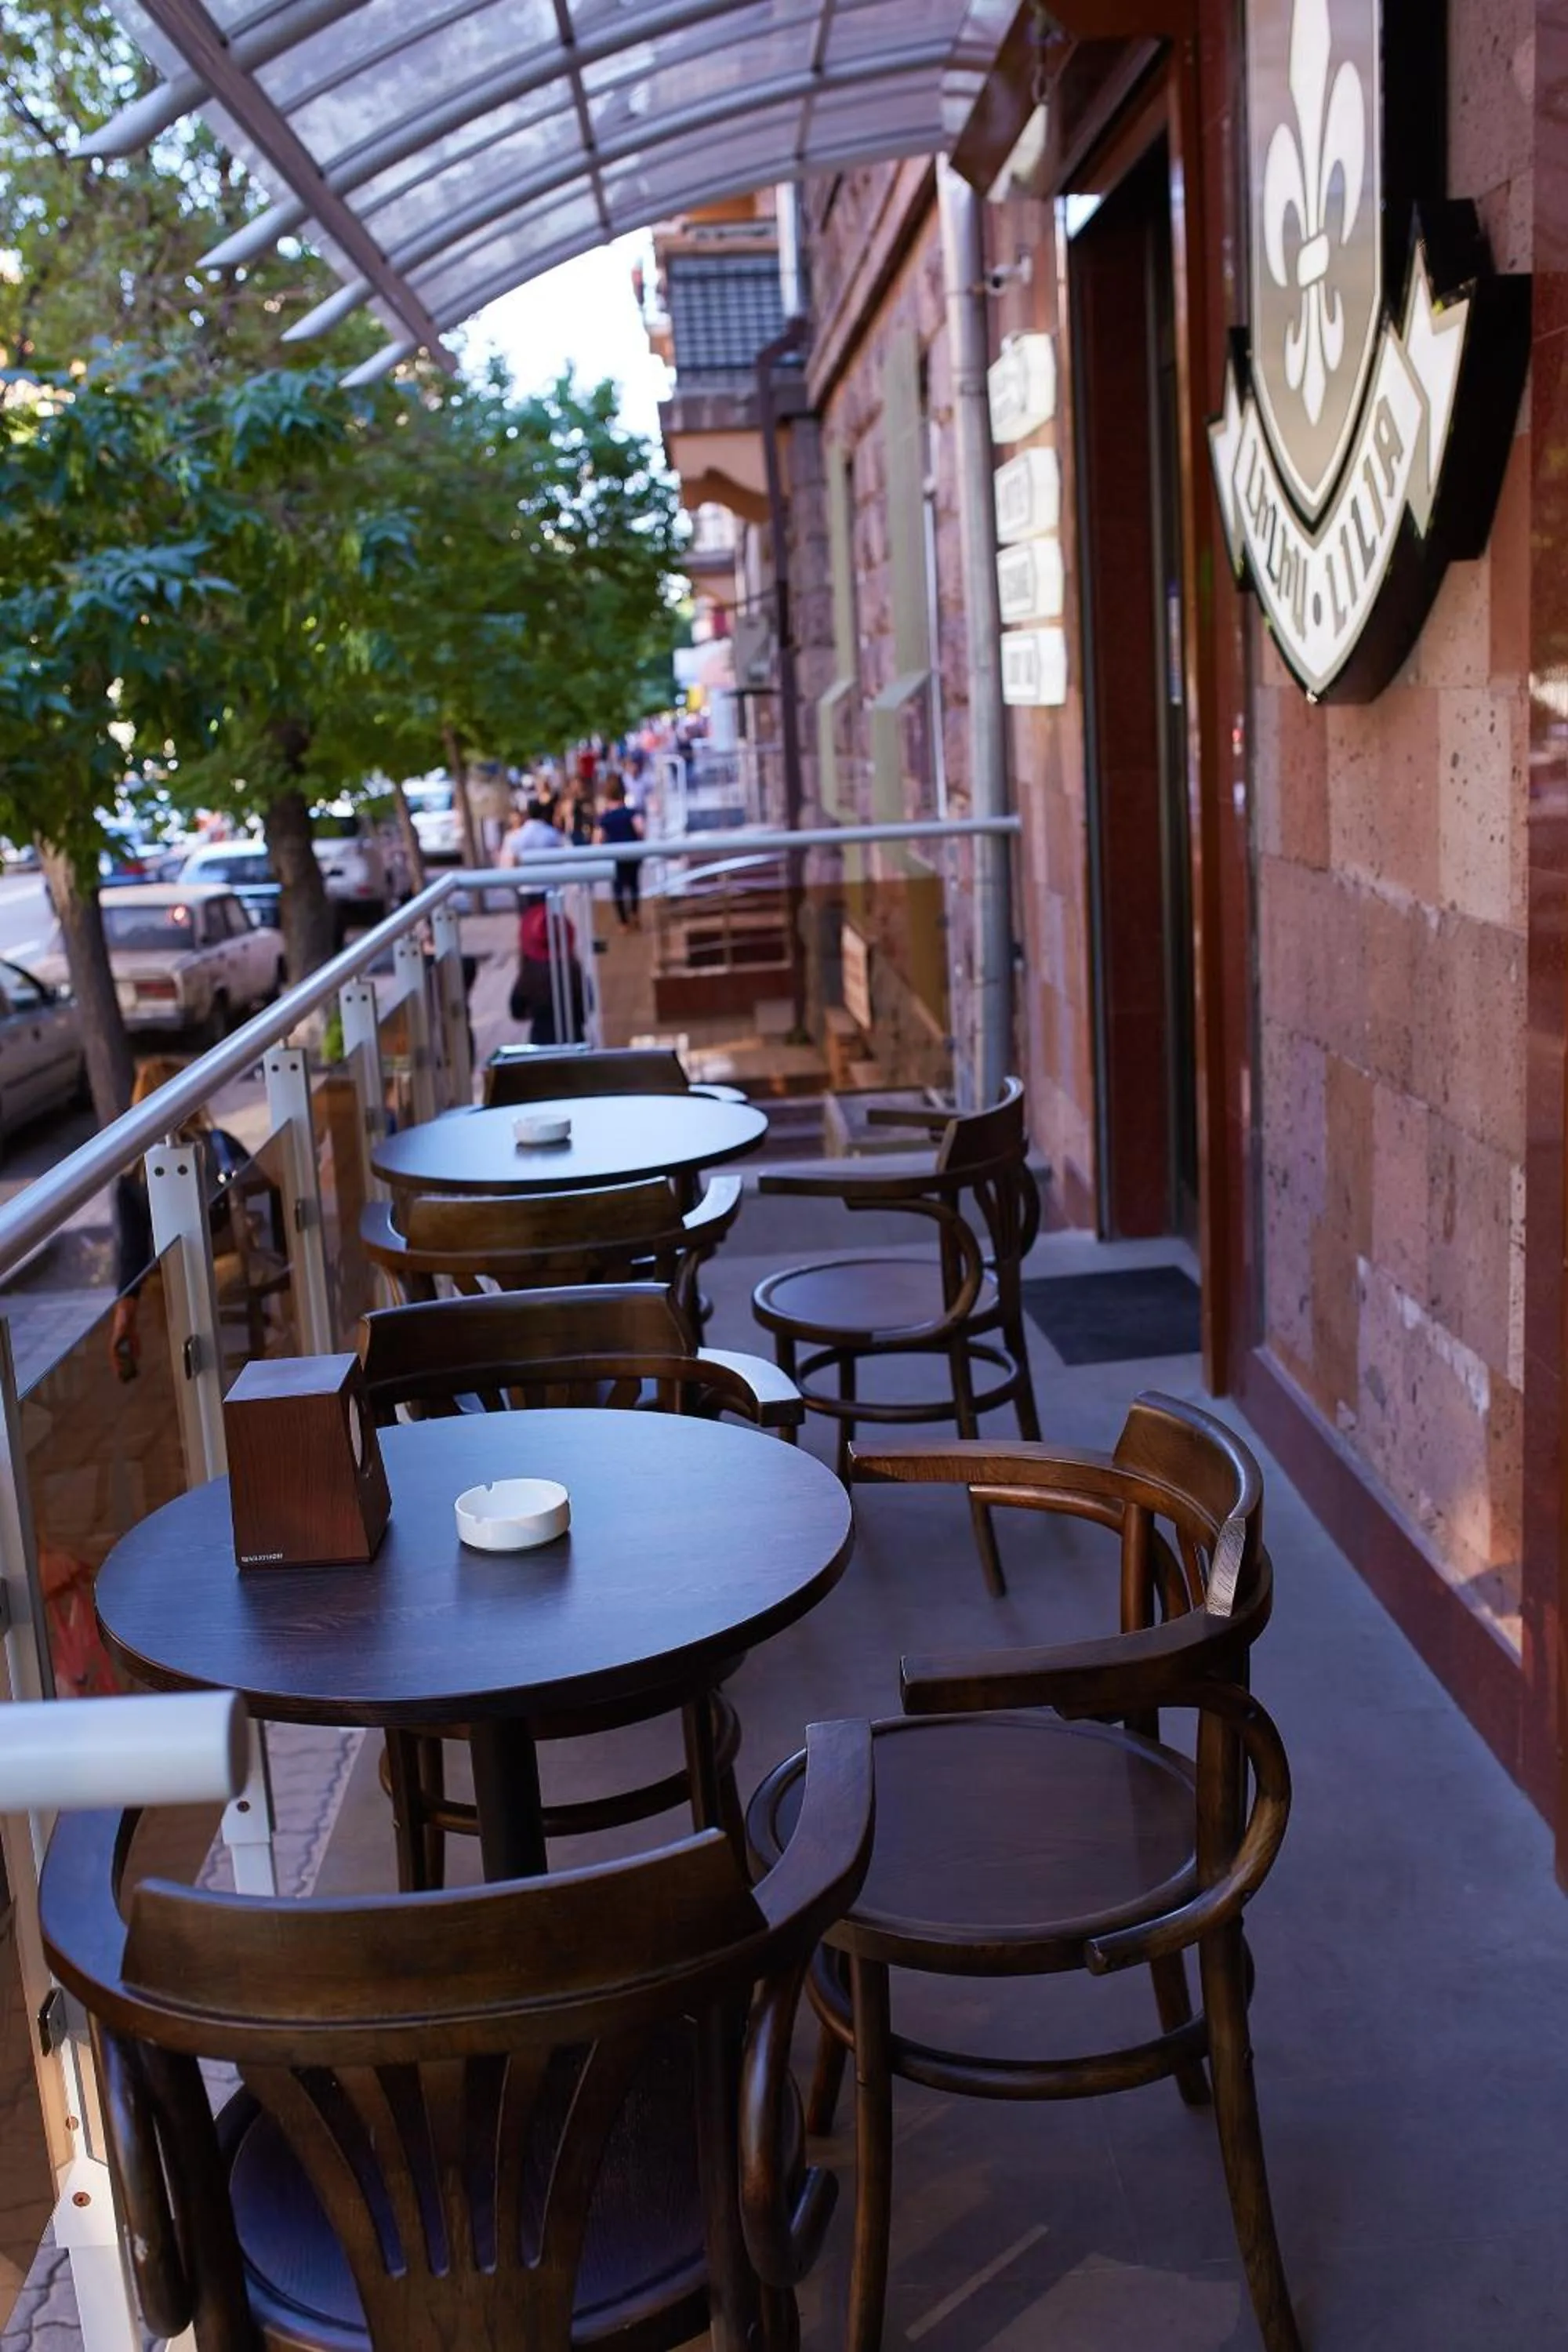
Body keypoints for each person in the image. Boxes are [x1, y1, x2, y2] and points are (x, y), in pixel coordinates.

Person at [108, 1057, 263, 1380]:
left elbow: (132, 1258)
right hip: (238, 1269)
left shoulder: (135, 1178)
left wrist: (124, 1319)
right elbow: (266, 1190)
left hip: (174, 1292)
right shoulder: (220, 1144)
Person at [596, 775, 644, 930]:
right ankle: (635, 913)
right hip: (632, 854)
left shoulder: (605, 817)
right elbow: (640, 829)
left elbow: (598, 839)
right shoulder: (631, 813)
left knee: (617, 889)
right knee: (634, 884)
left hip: (614, 858)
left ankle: (623, 922)